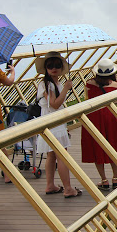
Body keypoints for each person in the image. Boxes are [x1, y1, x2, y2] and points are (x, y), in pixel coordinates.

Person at [36, 52, 81, 198]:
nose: (54, 68)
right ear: (46, 68)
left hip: (49, 123)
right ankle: (68, 188)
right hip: (54, 123)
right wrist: (66, 89)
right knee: (62, 155)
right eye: (50, 66)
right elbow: (55, 104)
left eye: (57, 65)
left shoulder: (50, 82)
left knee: (51, 155)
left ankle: (50, 185)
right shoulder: (49, 84)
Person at [81, 59, 117, 191]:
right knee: (112, 146)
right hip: (110, 117)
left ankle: (103, 180)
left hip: (93, 117)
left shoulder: (89, 83)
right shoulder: (115, 85)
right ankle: (115, 177)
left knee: (97, 147)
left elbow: (87, 100)